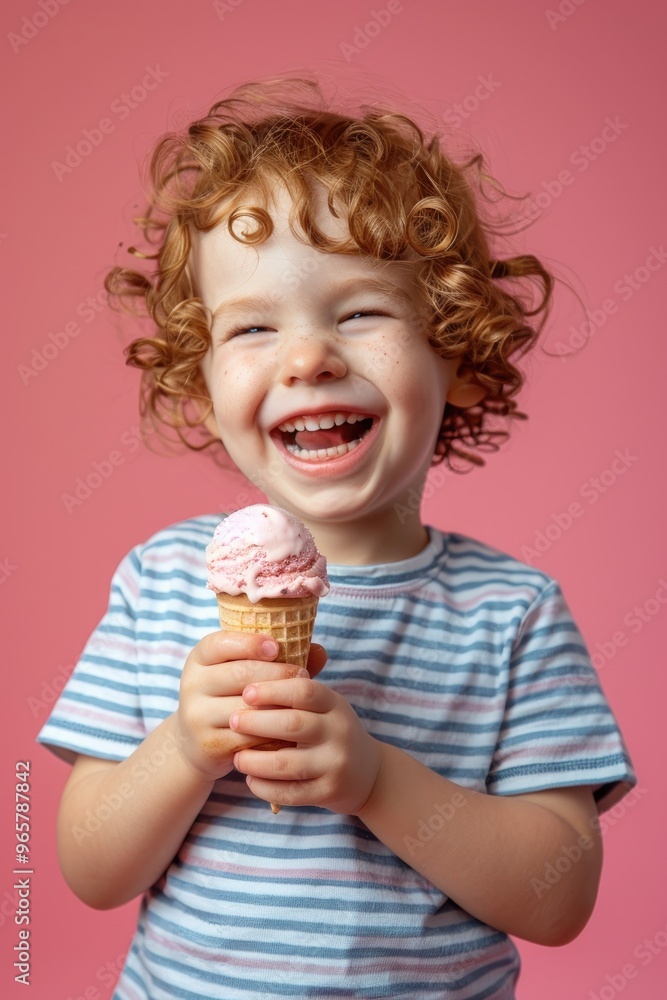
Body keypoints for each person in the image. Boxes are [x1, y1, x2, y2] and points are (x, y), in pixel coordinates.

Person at [37, 74, 637, 999]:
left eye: (359, 311)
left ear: (459, 360)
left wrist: (375, 780)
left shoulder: (511, 613)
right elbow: (89, 869)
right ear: (202, 386)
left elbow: (557, 899)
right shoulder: (158, 582)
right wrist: (186, 750)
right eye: (252, 327)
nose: (307, 356)